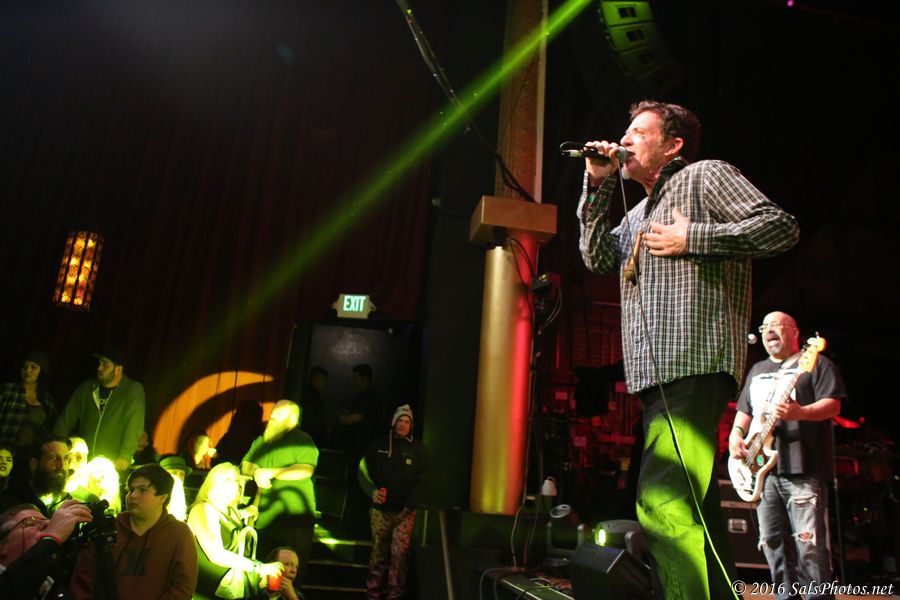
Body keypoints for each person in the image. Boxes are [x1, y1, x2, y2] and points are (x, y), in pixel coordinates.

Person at [577, 100, 799, 599]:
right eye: (625, 131)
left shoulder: (705, 175)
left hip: (694, 364)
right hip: (655, 379)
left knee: (663, 503)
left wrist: (692, 236)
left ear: (672, 145)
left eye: (639, 131)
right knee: (696, 512)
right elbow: (596, 256)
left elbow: (780, 227)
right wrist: (597, 184)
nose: (625, 139)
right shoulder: (637, 215)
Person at [729, 311, 846, 600]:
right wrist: (735, 435)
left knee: (809, 547)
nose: (769, 330)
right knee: (772, 544)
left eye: (777, 325)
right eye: (765, 327)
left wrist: (800, 413)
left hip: (804, 469)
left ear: (794, 332)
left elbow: (833, 405)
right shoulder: (757, 370)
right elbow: (744, 411)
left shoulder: (815, 363)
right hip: (763, 473)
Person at [71, 464, 198, 600]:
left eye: (142, 490)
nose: (132, 495)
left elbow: (182, 588)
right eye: (131, 490)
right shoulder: (108, 528)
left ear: (162, 497)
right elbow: (84, 578)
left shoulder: (179, 533)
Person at [241, 400, 317, 585]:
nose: (272, 416)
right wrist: (257, 472)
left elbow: (306, 469)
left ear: (292, 419)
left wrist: (271, 473)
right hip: (265, 516)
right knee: (263, 568)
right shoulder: (262, 439)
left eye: (279, 414)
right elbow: (246, 465)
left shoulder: (303, 439)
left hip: (294, 518)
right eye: (273, 413)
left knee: (291, 570)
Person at [357, 405, 427, 600]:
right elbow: (362, 470)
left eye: (407, 421)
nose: (403, 424)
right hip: (380, 510)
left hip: (405, 512)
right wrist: (371, 491)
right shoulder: (378, 445)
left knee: (399, 554)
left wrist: (410, 505)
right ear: (394, 422)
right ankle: (373, 593)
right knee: (378, 551)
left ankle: (394, 594)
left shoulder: (419, 449)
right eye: (400, 420)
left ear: (411, 425)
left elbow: (423, 481)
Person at [188, 463, 282, 600]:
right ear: (214, 481)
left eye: (237, 480)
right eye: (228, 479)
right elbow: (216, 554)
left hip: (232, 592)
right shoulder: (202, 509)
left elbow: (251, 511)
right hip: (205, 592)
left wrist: (259, 489)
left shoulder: (233, 513)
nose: (234, 484)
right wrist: (259, 567)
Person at [54, 348, 145, 472]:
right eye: (99, 363)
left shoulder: (132, 390)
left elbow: (134, 424)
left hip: (112, 465)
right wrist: (56, 446)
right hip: (83, 463)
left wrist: (125, 456)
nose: (99, 368)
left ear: (118, 369)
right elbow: (66, 418)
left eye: (105, 365)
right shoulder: (87, 387)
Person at [0, 500, 93, 599]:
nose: (48, 524)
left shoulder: (53, 587)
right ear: (2, 547)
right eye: (31, 522)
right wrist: (52, 537)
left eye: (49, 522)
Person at [0, 435, 72, 516]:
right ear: (34, 464)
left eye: (66, 458)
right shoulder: (13, 499)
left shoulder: (67, 503)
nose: (62, 465)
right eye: (54, 458)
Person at [0, 350, 56, 450]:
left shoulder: (47, 401)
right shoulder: (8, 390)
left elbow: (49, 431)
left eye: (33, 367)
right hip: (3, 449)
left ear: (42, 371)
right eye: (24, 366)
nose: (28, 370)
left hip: (29, 455)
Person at [333, 364, 379, 454]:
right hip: (362, 442)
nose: (353, 380)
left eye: (356, 377)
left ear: (364, 378)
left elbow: (356, 417)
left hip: (362, 443)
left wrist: (340, 418)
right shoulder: (368, 394)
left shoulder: (368, 395)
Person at [214, 400, 264, 468]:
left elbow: (215, 460)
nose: (234, 416)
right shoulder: (228, 438)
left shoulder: (229, 437)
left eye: (237, 414)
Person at [299, 367, 328, 447]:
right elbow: (311, 418)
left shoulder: (303, 391)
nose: (325, 384)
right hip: (310, 435)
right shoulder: (313, 396)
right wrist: (322, 430)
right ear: (318, 379)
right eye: (325, 381)